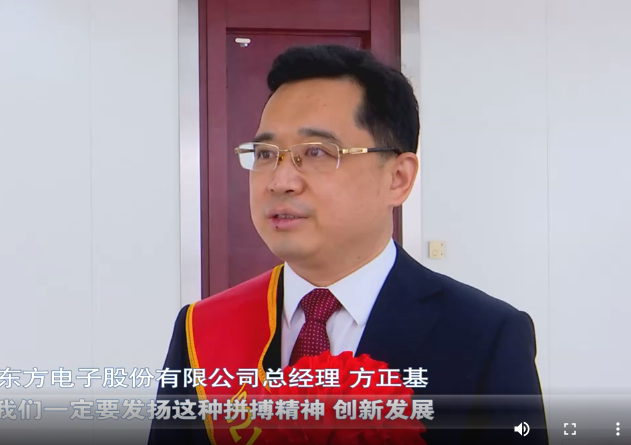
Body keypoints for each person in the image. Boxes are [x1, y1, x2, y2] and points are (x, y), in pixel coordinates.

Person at [147, 44, 547, 445]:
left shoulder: (485, 337)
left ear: (398, 178)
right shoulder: (202, 329)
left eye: (316, 152)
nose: (280, 181)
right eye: (266, 153)